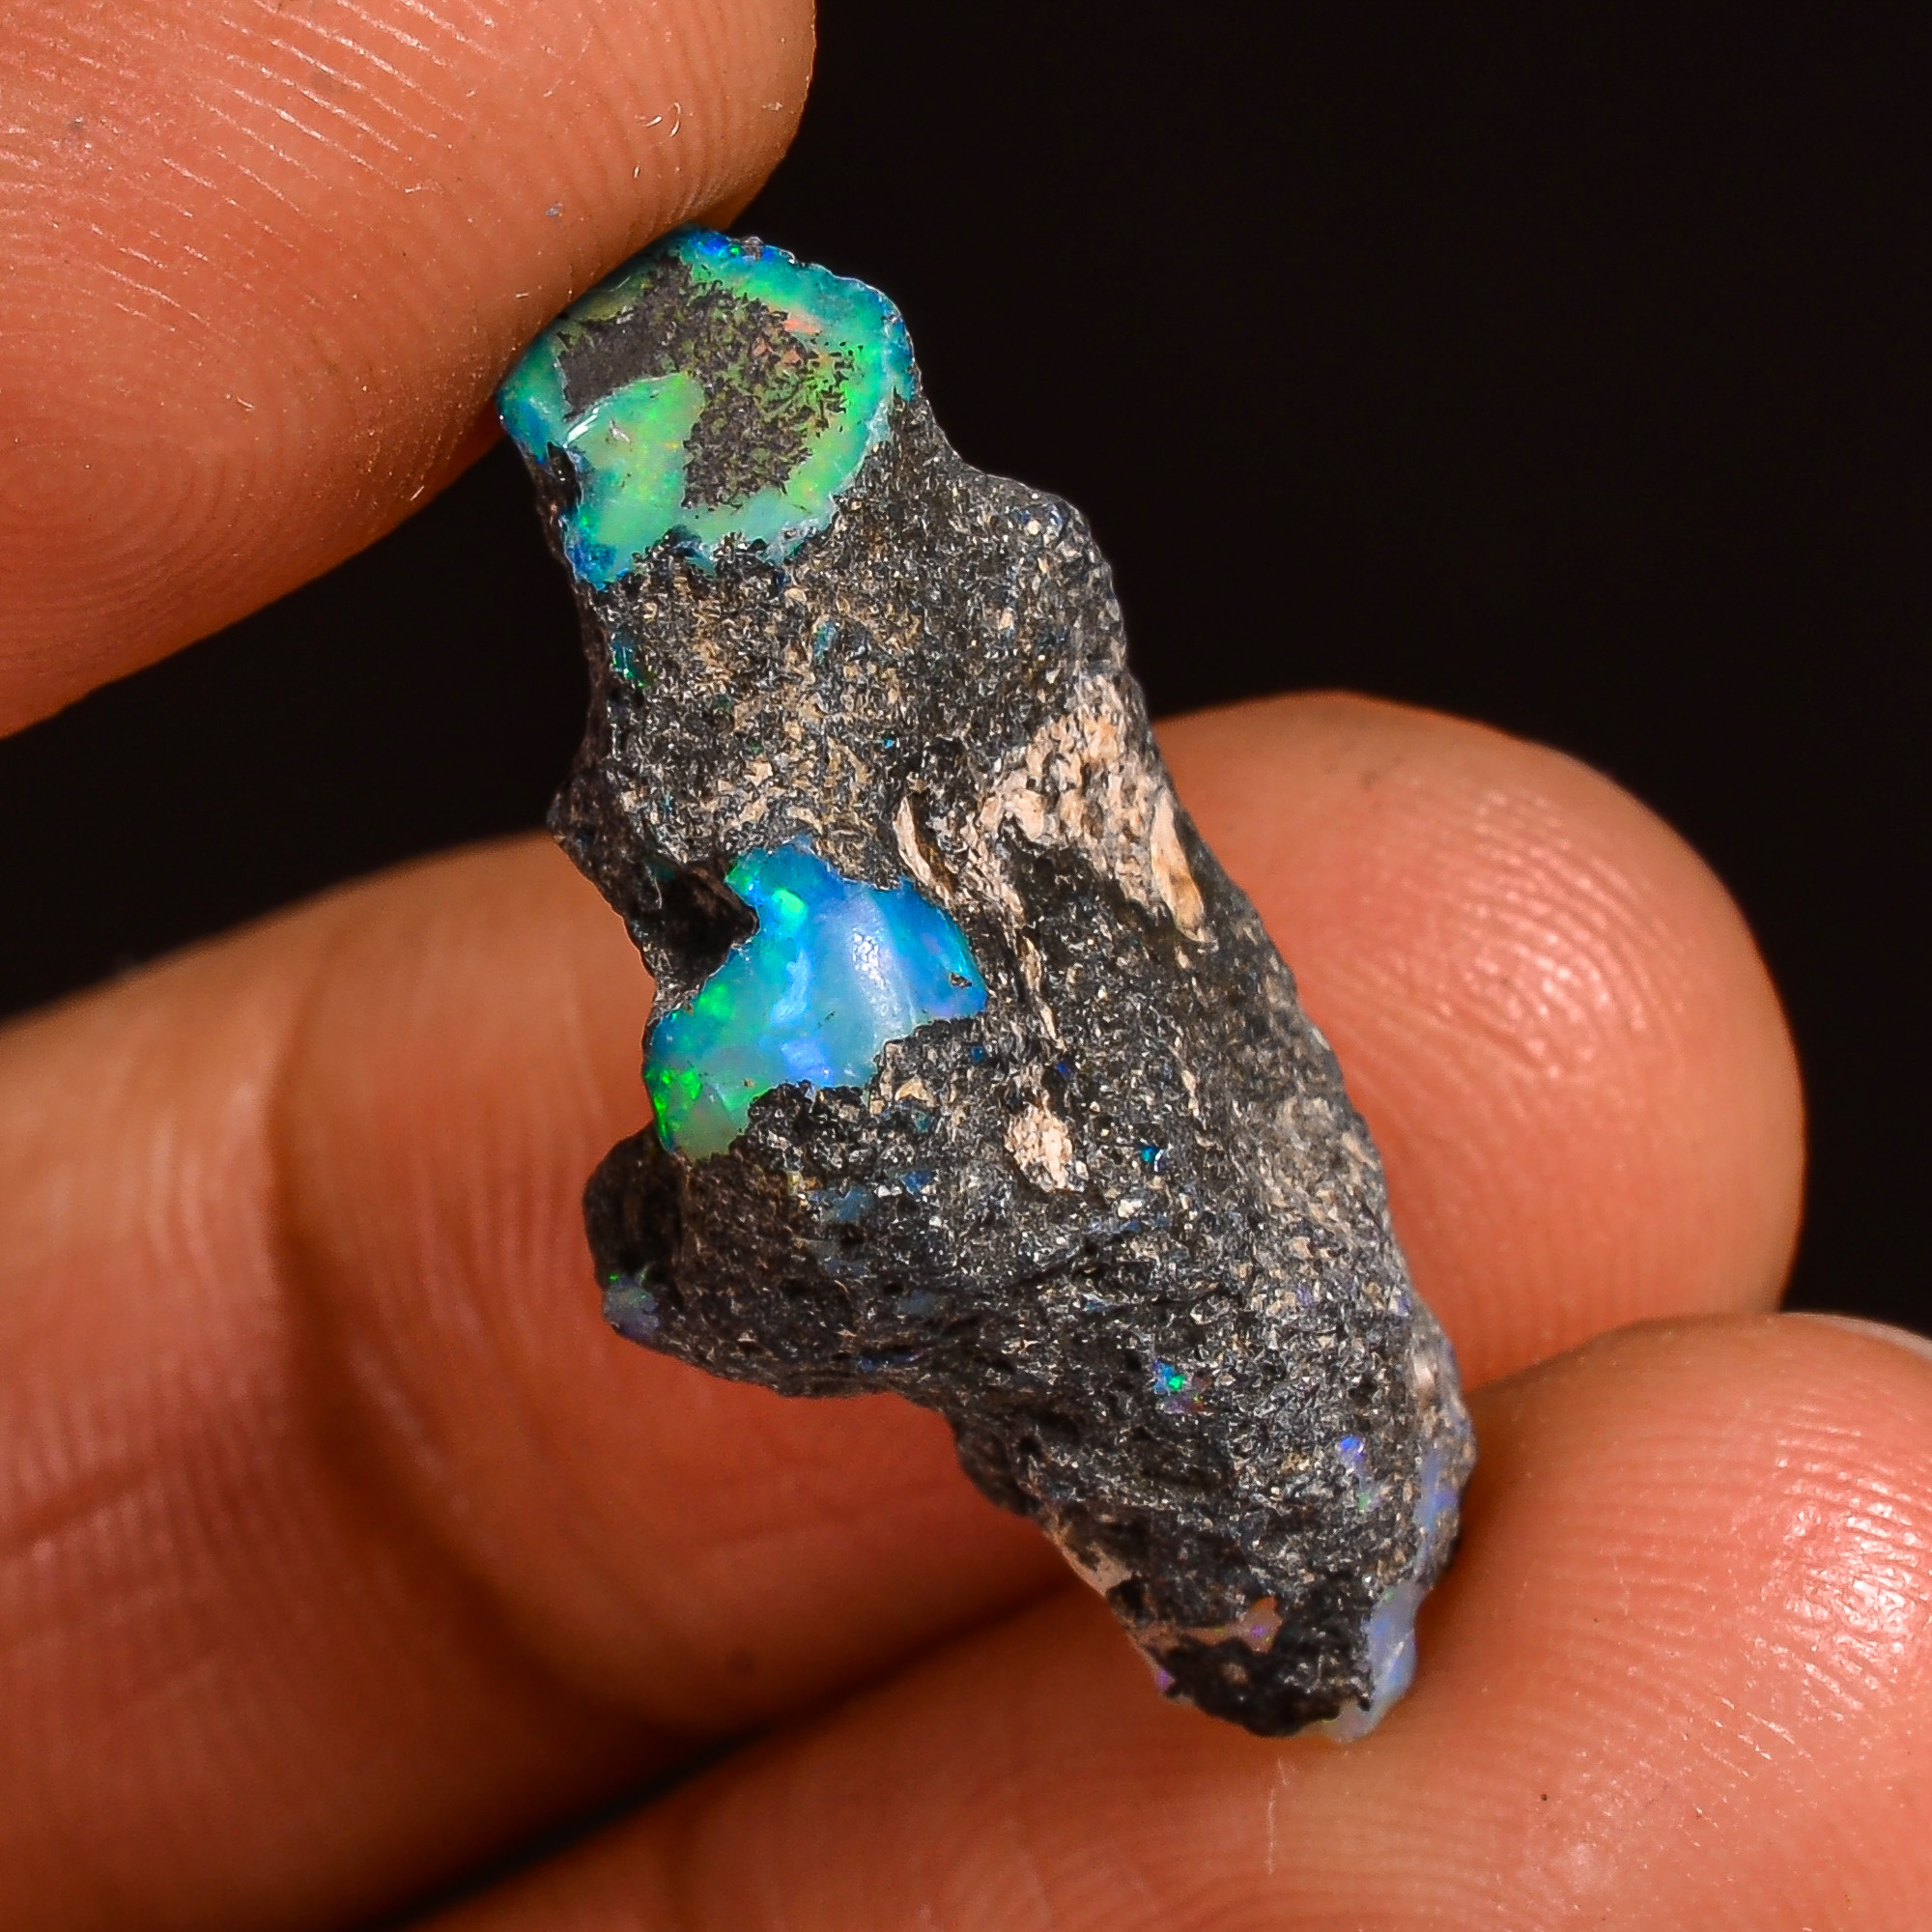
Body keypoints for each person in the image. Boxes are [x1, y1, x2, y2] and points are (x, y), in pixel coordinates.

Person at [2, 2, 1923, 1925]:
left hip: (1215, 1350)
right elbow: (790, 1154)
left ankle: (1288, 1565)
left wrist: (721, 1215)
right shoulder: (877, 637)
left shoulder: (933, 628)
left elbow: (810, 1160)